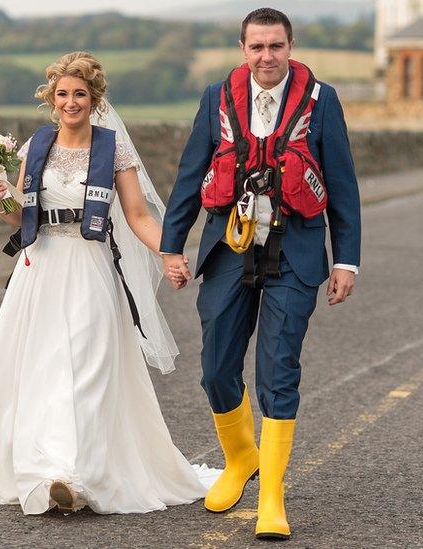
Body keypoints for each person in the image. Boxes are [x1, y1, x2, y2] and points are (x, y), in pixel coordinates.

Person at [0, 51, 215, 515]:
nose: (71, 102)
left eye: (80, 94)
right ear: (51, 100)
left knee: (87, 368)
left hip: (91, 268)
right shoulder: (37, 147)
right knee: (44, 369)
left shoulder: (112, 148)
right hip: (41, 269)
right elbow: (19, 215)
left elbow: (137, 214)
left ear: (94, 100)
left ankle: (77, 474)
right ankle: (51, 471)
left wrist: (169, 253)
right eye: (62, 95)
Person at [161, 8, 361, 540]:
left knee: (278, 372)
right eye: (257, 47)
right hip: (228, 247)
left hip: (295, 253)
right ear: (242, 50)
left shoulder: (323, 100)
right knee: (216, 367)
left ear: (290, 47)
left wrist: (346, 259)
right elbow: (189, 173)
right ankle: (239, 459)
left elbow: (341, 182)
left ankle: (271, 496)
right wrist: (170, 246)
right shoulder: (214, 98)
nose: (267, 57)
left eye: (276, 47)